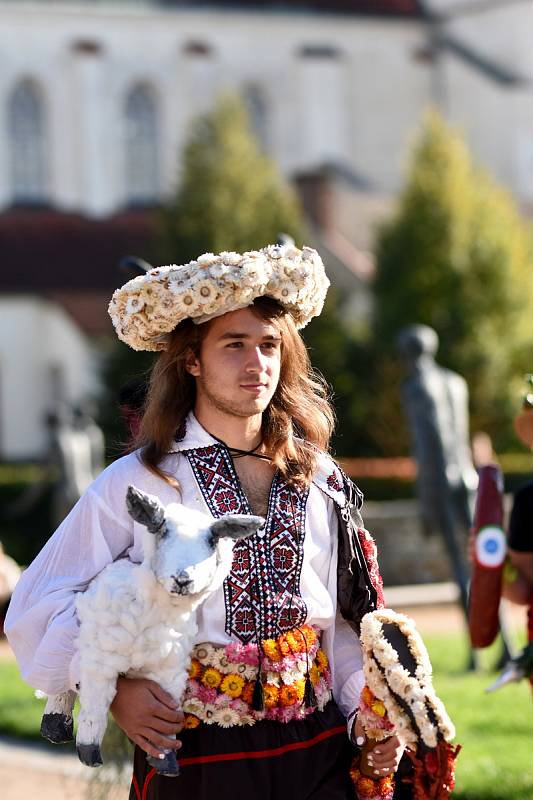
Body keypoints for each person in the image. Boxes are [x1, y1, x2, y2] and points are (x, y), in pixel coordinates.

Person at [6, 243, 404, 799]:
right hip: (195, 753)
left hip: (317, 748)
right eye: (234, 345)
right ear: (191, 359)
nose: (256, 364)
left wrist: (365, 716)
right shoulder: (137, 481)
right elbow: (37, 601)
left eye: (269, 345)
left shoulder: (320, 478)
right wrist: (113, 688)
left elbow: (338, 623)